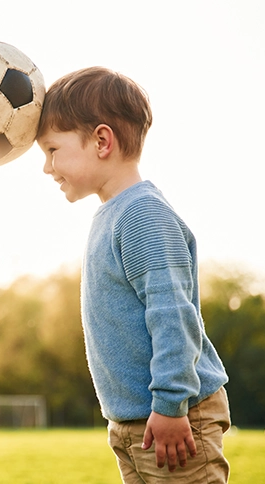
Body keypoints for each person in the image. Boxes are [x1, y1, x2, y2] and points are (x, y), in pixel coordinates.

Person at [36, 66, 231, 483]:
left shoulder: (142, 215)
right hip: (136, 424)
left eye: (52, 150)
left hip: (177, 418)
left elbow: (173, 316)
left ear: (102, 141)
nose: (47, 167)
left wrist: (169, 405)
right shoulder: (111, 214)